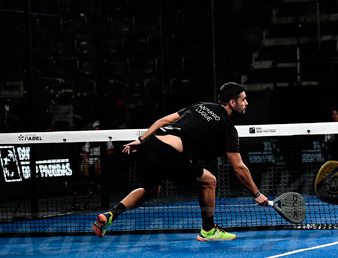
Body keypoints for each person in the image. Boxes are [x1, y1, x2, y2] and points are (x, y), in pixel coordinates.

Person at [92, 82, 269, 241]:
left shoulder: (201, 105)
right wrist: (256, 194)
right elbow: (239, 167)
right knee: (210, 181)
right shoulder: (228, 129)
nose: (246, 103)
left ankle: (110, 215)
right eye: (243, 100)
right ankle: (208, 230)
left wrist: (141, 140)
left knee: (151, 190)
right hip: (168, 152)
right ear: (232, 102)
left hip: (150, 144)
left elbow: (164, 121)